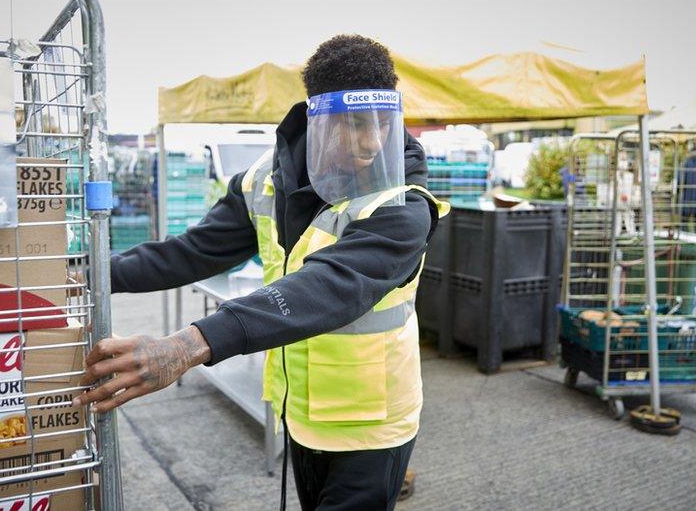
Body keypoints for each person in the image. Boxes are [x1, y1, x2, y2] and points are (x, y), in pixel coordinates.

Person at [73, 35, 448, 510]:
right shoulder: (264, 182)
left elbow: (330, 288)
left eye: (382, 124)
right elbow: (194, 252)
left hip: (372, 423)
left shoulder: (404, 204)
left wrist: (188, 345)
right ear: (319, 118)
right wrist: (94, 274)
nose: (374, 142)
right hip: (302, 412)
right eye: (355, 124)